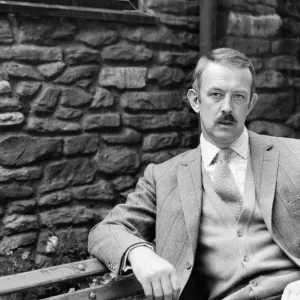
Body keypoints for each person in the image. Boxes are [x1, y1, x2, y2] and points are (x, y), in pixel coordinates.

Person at [88, 48, 300, 300]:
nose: (226, 107)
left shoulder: (294, 154)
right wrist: (139, 252)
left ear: (251, 104)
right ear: (195, 100)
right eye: (216, 95)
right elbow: (106, 230)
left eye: (239, 97)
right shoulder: (163, 177)